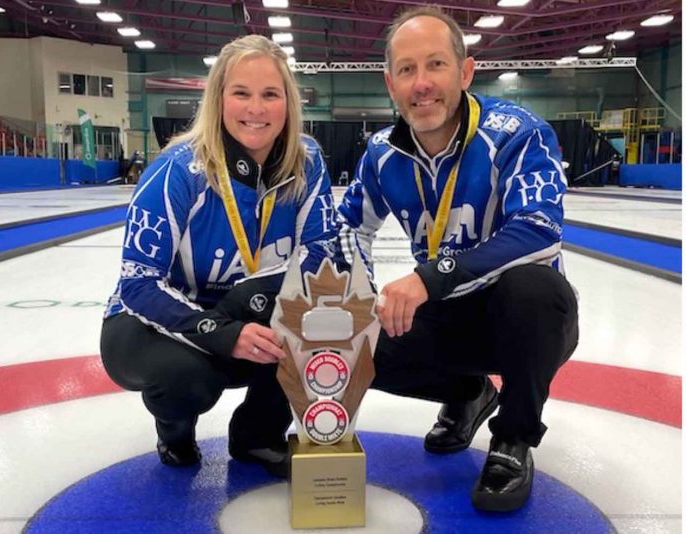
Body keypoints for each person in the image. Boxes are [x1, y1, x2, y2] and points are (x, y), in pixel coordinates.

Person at [338, 7, 578, 512]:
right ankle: (469, 394)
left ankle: (513, 438)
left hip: (518, 320)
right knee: (353, 342)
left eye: (436, 65)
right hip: (445, 318)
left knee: (536, 289)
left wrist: (432, 275)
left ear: (465, 71)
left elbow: (539, 230)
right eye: (406, 70)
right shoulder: (381, 153)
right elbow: (348, 227)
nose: (422, 84)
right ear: (390, 83)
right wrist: (352, 293)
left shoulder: (519, 133)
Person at [100, 35, 339, 477]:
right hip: (155, 325)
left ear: (288, 102)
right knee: (188, 380)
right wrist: (219, 330)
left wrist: (264, 297)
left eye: (271, 94)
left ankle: (258, 438)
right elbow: (138, 283)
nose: (257, 108)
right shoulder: (178, 170)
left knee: (319, 312)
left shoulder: (307, 162)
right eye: (241, 93)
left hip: (247, 312)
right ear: (218, 99)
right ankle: (174, 427)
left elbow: (325, 256)